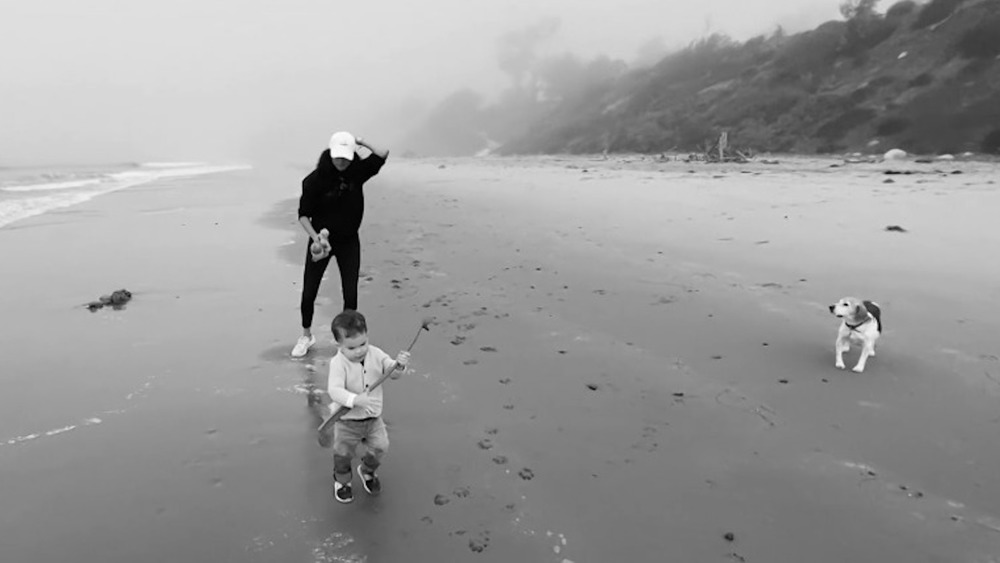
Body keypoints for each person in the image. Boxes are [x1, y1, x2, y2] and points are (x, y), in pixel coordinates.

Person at [292, 131, 389, 357]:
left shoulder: (357, 172)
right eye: (338, 157)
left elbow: (383, 154)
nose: (342, 161)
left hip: (348, 241)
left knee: (350, 293)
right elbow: (303, 215)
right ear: (330, 153)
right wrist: (316, 237)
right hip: (321, 242)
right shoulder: (314, 180)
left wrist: (362, 141)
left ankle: (347, 341)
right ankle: (306, 335)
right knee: (308, 292)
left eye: (346, 157)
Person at [324, 310, 410, 503]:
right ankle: (343, 481)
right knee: (343, 454)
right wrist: (354, 400)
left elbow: (391, 372)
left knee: (381, 446)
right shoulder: (338, 363)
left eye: (363, 344)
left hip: (373, 419)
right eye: (352, 347)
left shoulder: (376, 354)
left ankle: (367, 470)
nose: (360, 350)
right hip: (347, 421)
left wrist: (399, 365)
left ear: (367, 337)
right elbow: (334, 390)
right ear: (339, 345)